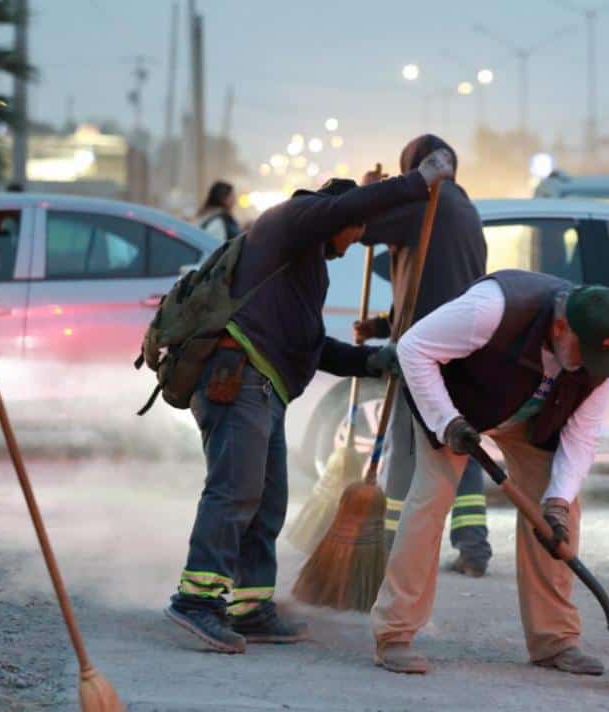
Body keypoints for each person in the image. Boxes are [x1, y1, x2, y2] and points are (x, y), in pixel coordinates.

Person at [166, 149, 456, 654]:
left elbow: (310, 344)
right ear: (339, 216)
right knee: (235, 491)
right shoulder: (293, 221)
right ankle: (197, 602)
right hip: (237, 379)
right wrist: (418, 180)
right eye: (355, 231)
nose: (355, 242)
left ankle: (248, 606)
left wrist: (371, 361)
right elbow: (341, 212)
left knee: (266, 501)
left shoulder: (302, 261)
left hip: (263, 386)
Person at [370, 269, 609, 676]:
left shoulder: (600, 360)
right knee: (431, 500)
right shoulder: (493, 309)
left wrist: (558, 502)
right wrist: (448, 422)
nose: (587, 367)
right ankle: (395, 633)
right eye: (583, 354)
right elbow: (413, 347)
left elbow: (582, 438)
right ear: (561, 327)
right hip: (460, 408)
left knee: (559, 518)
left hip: (532, 419)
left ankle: (555, 639)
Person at [355, 134, 492, 577]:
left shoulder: (426, 203)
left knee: (404, 449)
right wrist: (381, 325)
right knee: (459, 442)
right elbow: (429, 280)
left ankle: (391, 543)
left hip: (424, 348)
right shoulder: (463, 207)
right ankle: (473, 547)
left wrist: (370, 191)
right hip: (462, 345)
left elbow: (361, 227)